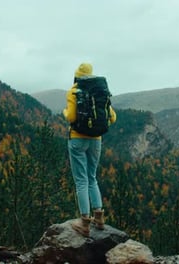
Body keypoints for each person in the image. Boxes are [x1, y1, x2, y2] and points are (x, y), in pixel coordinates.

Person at [63, 62, 117, 237]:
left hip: (78, 139)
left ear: (77, 75)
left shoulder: (73, 91)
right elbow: (113, 117)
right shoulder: (99, 91)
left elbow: (71, 116)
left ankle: (85, 222)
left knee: (81, 180)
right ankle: (99, 218)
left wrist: (64, 112)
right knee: (92, 177)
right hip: (96, 140)